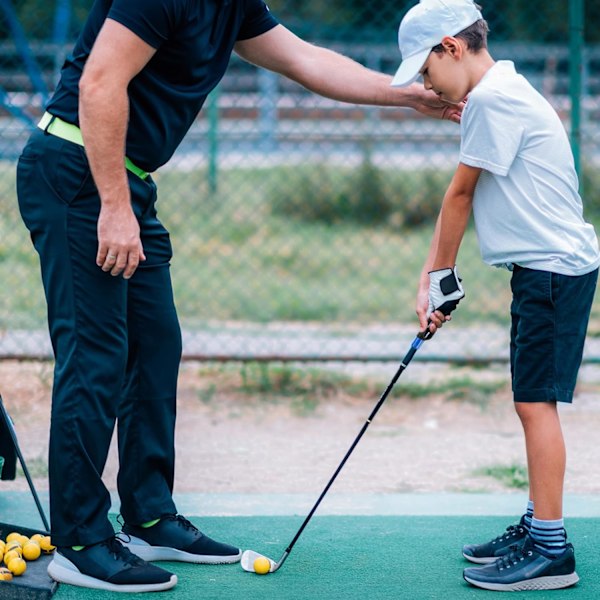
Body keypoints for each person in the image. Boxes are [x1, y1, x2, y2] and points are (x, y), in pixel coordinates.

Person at [15, 0, 462, 593]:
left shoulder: (232, 4)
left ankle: (150, 518)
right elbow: (100, 82)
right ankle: (80, 541)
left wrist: (409, 95)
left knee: (155, 348)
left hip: (126, 181)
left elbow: (306, 60)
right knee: (96, 357)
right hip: (79, 174)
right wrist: (115, 207)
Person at [392, 0, 600, 593]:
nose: (427, 86)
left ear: (451, 47)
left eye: (426, 70)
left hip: (551, 272)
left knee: (536, 405)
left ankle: (552, 549)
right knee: (532, 401)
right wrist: (432, 278)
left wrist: (438, 279)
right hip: (546, 270)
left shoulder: (490, 100)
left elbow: (458, 197)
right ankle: (539, 526)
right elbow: (463, 193)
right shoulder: (499, 92)